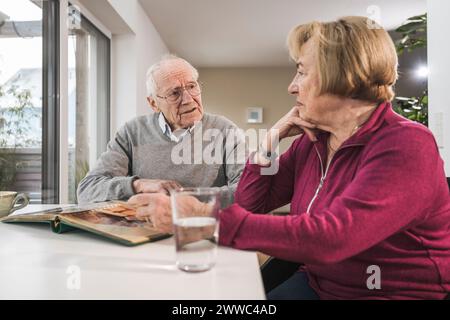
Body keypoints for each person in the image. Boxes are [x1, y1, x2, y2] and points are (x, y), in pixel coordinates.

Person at [132, 17, 450, 300]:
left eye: (301, 72)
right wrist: (271, 139)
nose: (291, 87)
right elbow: (251, 202)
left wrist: (203, 217)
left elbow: (330, 239)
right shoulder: (314, 141)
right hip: (316, 282)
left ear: (344, 78)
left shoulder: (406, 144)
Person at [77, 54, 245, 205]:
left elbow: (246, 192)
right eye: (174, 93)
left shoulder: (225, 130)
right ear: (153, 104)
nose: (188, 99)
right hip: (144, 231)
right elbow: (87, 190)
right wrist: (138, 185)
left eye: (192, 86)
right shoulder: (131, 132)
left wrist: (179, 200)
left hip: (200, 228)